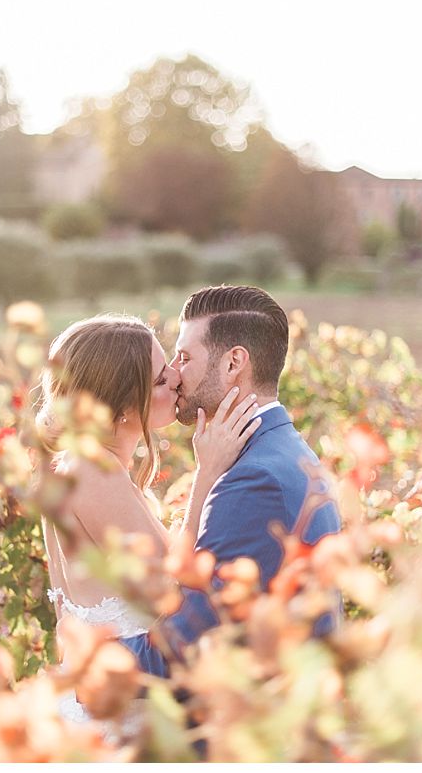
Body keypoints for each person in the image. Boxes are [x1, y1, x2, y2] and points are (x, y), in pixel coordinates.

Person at [32, 312, 256, 741]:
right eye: (158, 380)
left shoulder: (85, 468)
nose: (174, 378)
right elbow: (172, 592)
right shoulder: (92, 472)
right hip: (115, 729)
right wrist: (208, 472)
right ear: (116, 407)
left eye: (168, 364)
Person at [124, 285, 344, 674]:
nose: (173, 372)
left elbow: (187, 644)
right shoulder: (286, 451)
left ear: (232, 364)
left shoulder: (255, 480)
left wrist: (87, 664)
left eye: (185, 356)